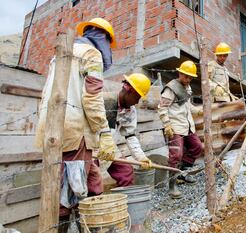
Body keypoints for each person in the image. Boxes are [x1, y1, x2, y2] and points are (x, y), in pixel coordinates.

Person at [35, 18, 118, 232]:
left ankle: (93, 227)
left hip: (53, 127)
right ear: (105, 38)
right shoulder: (92, 54)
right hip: (76, 130)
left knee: (90, 181)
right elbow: (92, 97)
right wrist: (104, 132)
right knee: (70, 193)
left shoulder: (59, 55)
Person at [157, 60, 203, 199]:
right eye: (186, 76)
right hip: (175, 126)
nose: (188, 79)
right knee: (176, 155)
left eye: (190, 77)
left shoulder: (187, 88)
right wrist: (167, 125)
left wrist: (199, 110)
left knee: (197, 147)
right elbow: (162, 108)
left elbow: (187, 106)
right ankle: (172, 185)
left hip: (187, 124)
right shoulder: (171, 89)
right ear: (180, 73)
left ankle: (182, 174)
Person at [101, 73, 153, 188]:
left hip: (110, 147)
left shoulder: (131, 111)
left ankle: (125, 202)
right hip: (93, 146)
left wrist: (141, 157)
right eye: (137, 97)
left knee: (126, 171)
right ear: (129, 90)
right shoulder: (103, 101)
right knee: (90, 180)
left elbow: (130, 135)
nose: (137, 102)